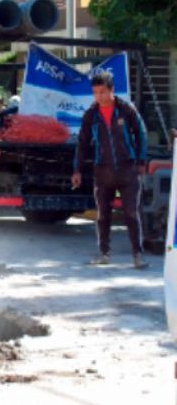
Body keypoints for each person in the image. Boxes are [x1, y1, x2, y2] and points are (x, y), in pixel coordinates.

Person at [72, 72, 149, 269]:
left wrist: (141, 160)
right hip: (102, 172)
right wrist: (77, 170)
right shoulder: (91, 114)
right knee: (103, 215)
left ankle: (137, 255)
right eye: (95, 93)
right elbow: (82, 143)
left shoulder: (126, 109)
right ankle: (104, 254)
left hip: (128, 170)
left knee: (131, 213)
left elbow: (141, 133)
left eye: (103, 92)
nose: (99, 96)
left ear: (112, 90)